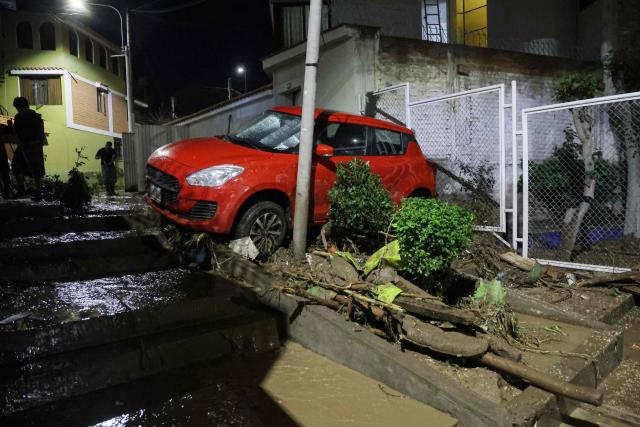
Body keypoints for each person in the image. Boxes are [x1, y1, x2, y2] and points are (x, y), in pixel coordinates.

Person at [10, 97, 46, 199]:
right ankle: (31, 190)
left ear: (20, 106)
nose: (17, 110)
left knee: (24, 167)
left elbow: (18, 131)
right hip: (30, 146)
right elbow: (17, 131)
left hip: (29, 146)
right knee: (24, 167)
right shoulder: (28, 116)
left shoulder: (27, 116)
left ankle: (31, 191)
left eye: (17, 107)